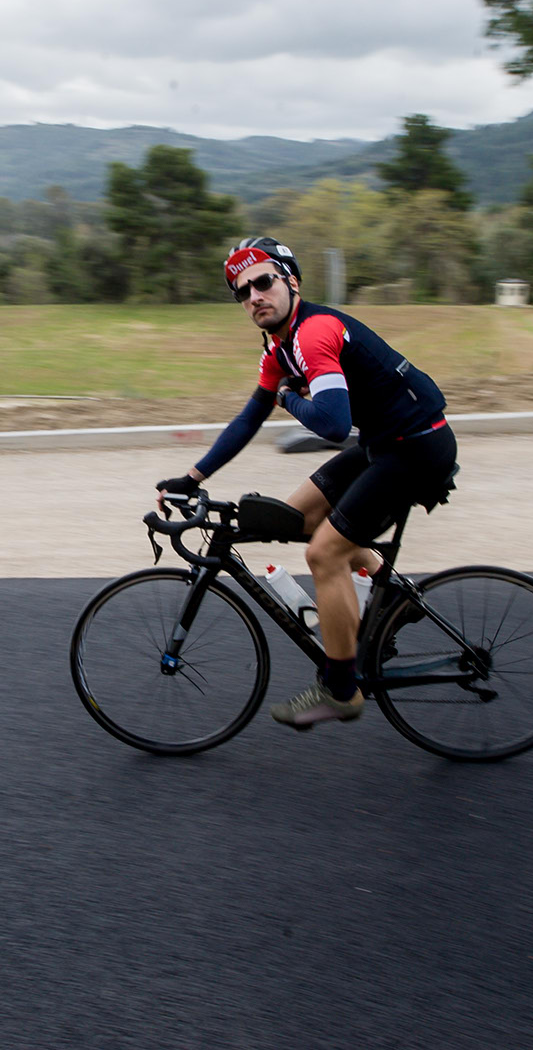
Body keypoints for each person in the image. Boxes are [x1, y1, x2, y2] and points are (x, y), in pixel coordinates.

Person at [155, 237, 457, 730]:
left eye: (263, 282)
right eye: (242, 291)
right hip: (386, 444)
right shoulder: (279, 349)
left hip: (417, 449)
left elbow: (333, 425)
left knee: (324, 554)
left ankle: (341, 691)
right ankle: (394, 597)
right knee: (294, 518)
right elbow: (247, 420)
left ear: (291, 282)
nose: (254, 295)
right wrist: (191, 478)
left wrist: (288, 399)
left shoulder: (313, 333)